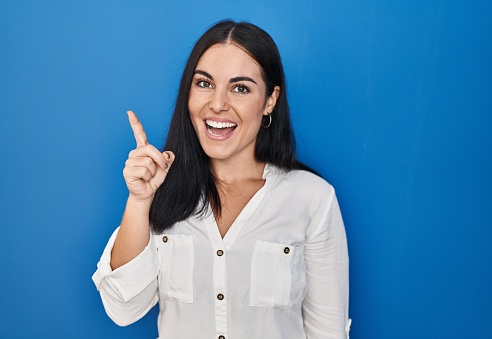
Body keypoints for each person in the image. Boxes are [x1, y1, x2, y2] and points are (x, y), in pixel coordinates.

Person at [92, 20, 350, 338]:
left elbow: (329, 331)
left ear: (270, 100)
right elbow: (122, 308)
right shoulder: (163, 189)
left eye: (240, 88)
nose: (217, 104)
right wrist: (140, 201)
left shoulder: (313, 199)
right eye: (204, 84)